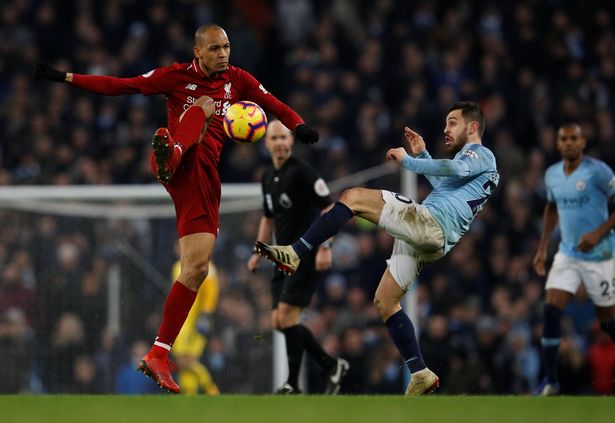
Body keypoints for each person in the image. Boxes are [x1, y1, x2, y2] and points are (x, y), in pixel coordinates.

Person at [34, 24, 319, 393]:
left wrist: (299, 125)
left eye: (227, 46)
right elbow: (122, 85)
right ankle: (171, 154)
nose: (224, 53)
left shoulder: (238, 80)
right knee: (201, 106)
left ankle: (158, 352)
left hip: (202, 181)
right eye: (215, 48)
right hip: (178, 162)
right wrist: (64, 77)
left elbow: (275, 104)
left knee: (197, 269)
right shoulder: (175, 76)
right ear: (198, 51)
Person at [255, 101, 499, 395]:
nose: (446, 129)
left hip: (431, 223)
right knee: (385, 301)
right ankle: (420, 371)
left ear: (472, 127)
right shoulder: (474, 164)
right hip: (435, 238)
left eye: (452, 122)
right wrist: (422, 154)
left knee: (353, 197)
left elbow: (454, 167)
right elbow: (445, 184)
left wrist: (409, 160)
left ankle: (295, 252)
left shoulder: (479, 153)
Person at [246, 120, 349, 394]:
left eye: (283, 137)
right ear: (266, 143)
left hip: (304, 253)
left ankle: (293, 384)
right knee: (279, 322)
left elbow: (330, 209)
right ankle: (331, 366)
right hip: (280, 256)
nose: (279, 142)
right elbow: (269, 218)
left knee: (288, 318)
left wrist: (326, 247)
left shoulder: (303, 173)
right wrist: (258, 252)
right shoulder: (267, 176)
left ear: (291, 141)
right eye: (274, 138)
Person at [532, 123, 615, 396]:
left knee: (607, 321)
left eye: (574, 138)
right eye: (563, 139)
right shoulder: (552, 174)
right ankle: (551, 381)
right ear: (557, 144)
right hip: (567, 253)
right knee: (551, 310)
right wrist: (543, 247)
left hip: (601, 254)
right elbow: (552, 208)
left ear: (583, 142)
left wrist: (598, 233)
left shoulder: (598, 171)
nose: (568, 143)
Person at [171, 251, 220, 395]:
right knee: (183, 364)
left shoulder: (207, 268)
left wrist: (206, 314)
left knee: (186, 360)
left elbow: (211, 294)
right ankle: (189, 396)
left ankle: (210, 388)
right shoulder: (177, 266)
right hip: (180, 321)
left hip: (196, 322)